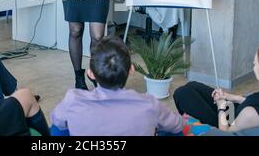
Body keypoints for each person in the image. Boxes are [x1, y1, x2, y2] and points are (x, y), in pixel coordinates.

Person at [50, 36, 185, 136]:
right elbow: (178, 125)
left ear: (90, 73)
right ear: (131, 69)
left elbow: (55, 120)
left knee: (59, 127)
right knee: (169, 129)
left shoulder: (73, 100)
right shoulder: (149, 104)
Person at [173, 42, 259, 132]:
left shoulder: (250, 114)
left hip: (227, 121)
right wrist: (229, 97)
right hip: (235, 112)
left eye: (255, 64)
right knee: (192, 86)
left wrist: (221, 107)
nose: (253, 65)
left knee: (182, 94)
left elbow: (226, 132)